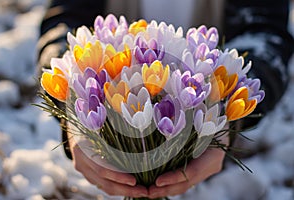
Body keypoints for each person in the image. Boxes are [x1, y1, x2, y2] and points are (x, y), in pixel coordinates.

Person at [37, 0, 294, 198]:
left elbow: (266, 31)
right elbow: (62, 23)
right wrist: (74, 108)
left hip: (206, 127)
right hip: (118, 106)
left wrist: (224, 122)